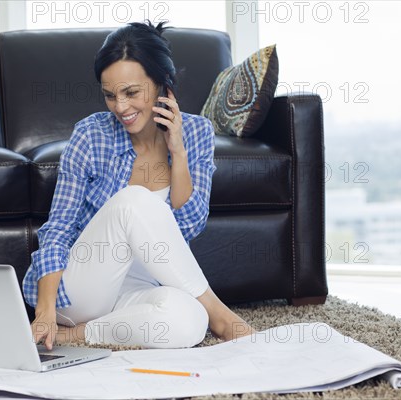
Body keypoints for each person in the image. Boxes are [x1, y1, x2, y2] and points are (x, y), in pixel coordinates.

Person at [22, 20, 255, 350]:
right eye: (109, 95)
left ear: (162, 85)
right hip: (80, 289)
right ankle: (220, 314)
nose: (120, 107)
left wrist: (178, 150)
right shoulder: (91, 135)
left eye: (132, 93)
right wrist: (45, 311)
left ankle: (75, 336)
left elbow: (188, 225)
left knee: (189, 321)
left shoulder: (197, 133)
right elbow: (58, 228)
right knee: (134, 200)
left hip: (135, 287)